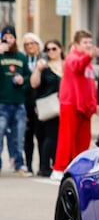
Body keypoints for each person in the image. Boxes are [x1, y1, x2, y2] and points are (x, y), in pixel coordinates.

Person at [52, 30, 99, 176]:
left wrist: (94, 103)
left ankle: (79, 169)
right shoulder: (72, 58)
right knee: (66, 138)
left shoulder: (89, 64)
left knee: (83, 140)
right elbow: (77, 66)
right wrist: (89, 56)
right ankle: (59, 168)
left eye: (90, 43)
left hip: (85, 107)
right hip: (71, 104)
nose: (88, 45)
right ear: (77, 44)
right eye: (85, 43)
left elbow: (91, 85)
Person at [28, 39, 63, 178]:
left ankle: (57, 163)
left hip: (65, 105)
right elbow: (34, 84)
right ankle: (44, 166)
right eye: (48, 50)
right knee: (50, 136)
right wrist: (37, 69)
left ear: (60, 49)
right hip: (49, 105)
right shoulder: (45, 67)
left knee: (61, 138)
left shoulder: (67, 65)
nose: (51, 52)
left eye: (54, 49)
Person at [0, 27, 29, 175]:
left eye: (11, 37)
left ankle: (19, 164)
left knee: (18, 137)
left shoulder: (21, 57)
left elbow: (29, 77)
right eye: (5, 37)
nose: (8, 40)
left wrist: (22, 79)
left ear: (15, 39)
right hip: (2, 103)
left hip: (18, 103)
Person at [20, 33, 44, 174]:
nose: (30, 46)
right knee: (27, 136)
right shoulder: (23, 60)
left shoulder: (43, 59)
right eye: (27, 44)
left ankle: (42, 165)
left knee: (40, 135)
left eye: (32, 43)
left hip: (40, 103)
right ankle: (28, 165)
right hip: (26, 103)